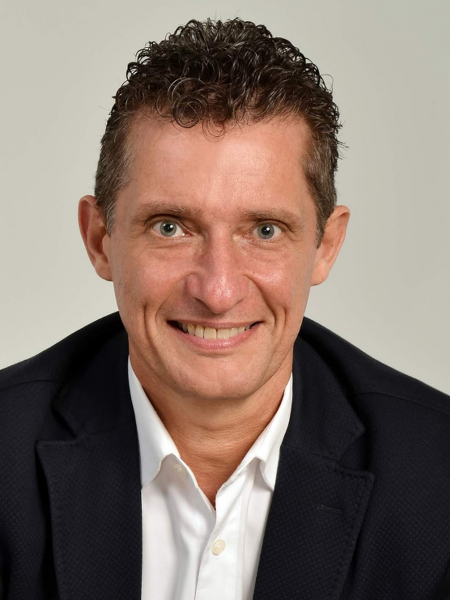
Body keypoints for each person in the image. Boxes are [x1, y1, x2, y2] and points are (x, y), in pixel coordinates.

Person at [1, 17, 450, 600]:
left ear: (325, 245)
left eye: (264, 230)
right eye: (170, 227)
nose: (217, 291)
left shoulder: (436, 478)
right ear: (100, 239)